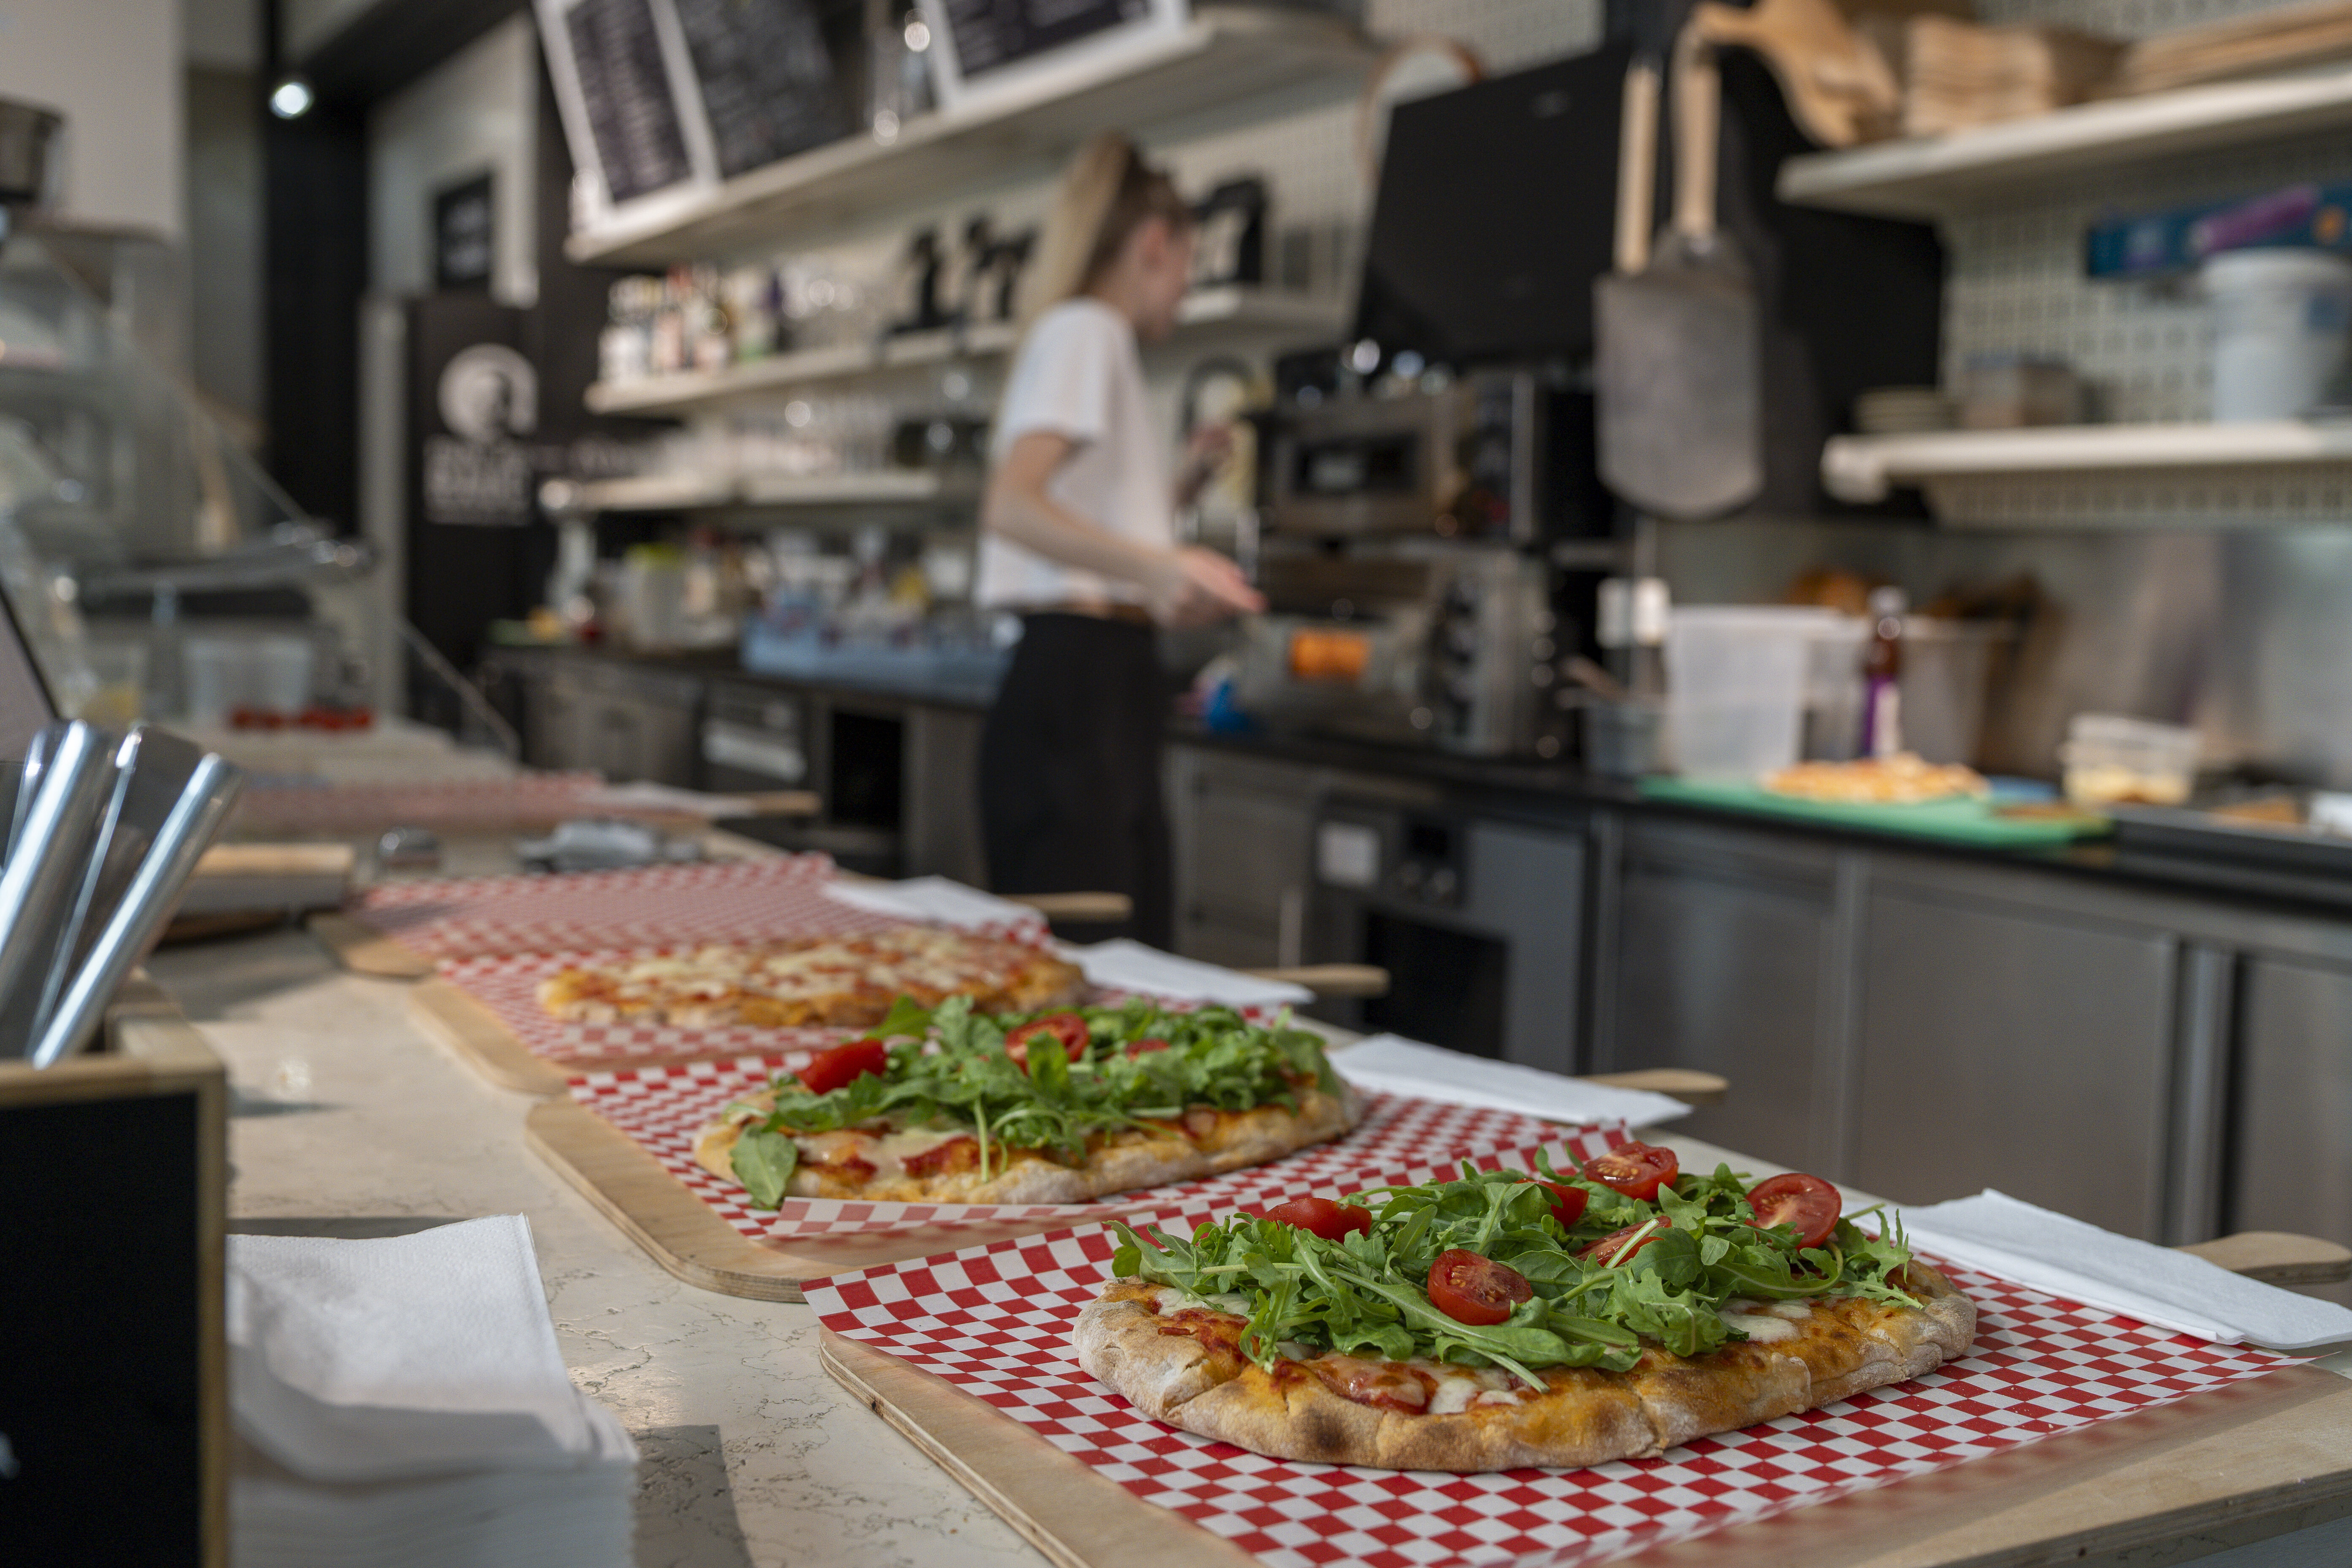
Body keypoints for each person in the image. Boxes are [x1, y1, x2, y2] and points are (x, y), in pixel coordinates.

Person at [975, 133, 1264, 948]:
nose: (1184, 286)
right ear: (1152, 244)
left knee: (1114, 964)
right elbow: (1013, 506)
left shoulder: (1086, 339)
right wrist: (1159, 564)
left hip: (1093, 693)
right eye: (1187, 262)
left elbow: (1078, 527)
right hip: (1076, 698)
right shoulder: (1088, 333)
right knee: (1094, 983)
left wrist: (1178, 492)